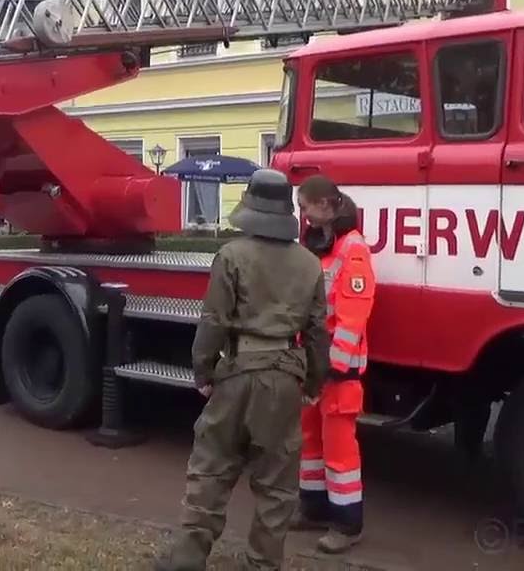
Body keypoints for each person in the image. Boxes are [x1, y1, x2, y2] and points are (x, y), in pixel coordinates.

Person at [156, 169, 330, 571]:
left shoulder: (231, 255)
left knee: (211, 469)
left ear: (250, 205)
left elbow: (213, 320)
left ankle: (186, 559)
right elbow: (318, 331)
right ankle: (263, 565)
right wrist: (314, 381)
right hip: (285, 378)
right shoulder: (310, 264)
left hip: (236, 372)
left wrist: (203, 371)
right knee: (277, 485)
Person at [291, 174, 375, 554]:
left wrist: (334, 365)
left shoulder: (352, 249)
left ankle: (347, 523)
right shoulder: (323, 244)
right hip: (316, 365)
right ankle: (313, 508)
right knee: (310, 440)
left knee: (340, 449)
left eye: (305, 207)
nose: (303, 215)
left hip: (339, 372)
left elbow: (352, 317)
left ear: (325, 205)